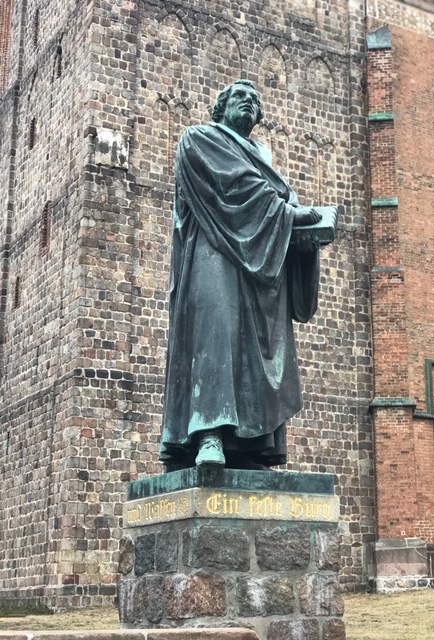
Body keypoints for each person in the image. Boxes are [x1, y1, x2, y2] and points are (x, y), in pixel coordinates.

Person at [159, 79, 324, 471]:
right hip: (213, 254)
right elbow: (234, 187)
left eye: (255, 99)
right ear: (221, 108)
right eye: (239, 96)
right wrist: (286, 214)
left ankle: (251, 448)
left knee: (257, 350)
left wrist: (302, 233)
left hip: (259, 271)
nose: (248, 102)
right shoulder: (199, 138)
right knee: (215, 337)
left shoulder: (263, 159)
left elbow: (280, 199)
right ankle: (209, 435)